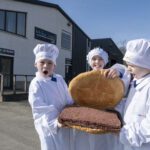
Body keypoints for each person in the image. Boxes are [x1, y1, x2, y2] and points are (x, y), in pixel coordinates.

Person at [28, 43, 74, 150]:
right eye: (42, 62)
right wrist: (56, 121)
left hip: (65, 123)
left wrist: (72, 111)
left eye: (50, 63)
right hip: (48, 127)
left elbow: (68, 97)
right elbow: (39, 107)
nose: (45, 66)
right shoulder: (36, 83)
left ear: (54, 66)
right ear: (36, 64)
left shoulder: (59, 79)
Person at [119, 38, 150, 150]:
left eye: (132, 65)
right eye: (127, 65)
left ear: (146, 65)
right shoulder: (136, 82)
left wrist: (126, 135)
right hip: (129, 143)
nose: (128, 69)